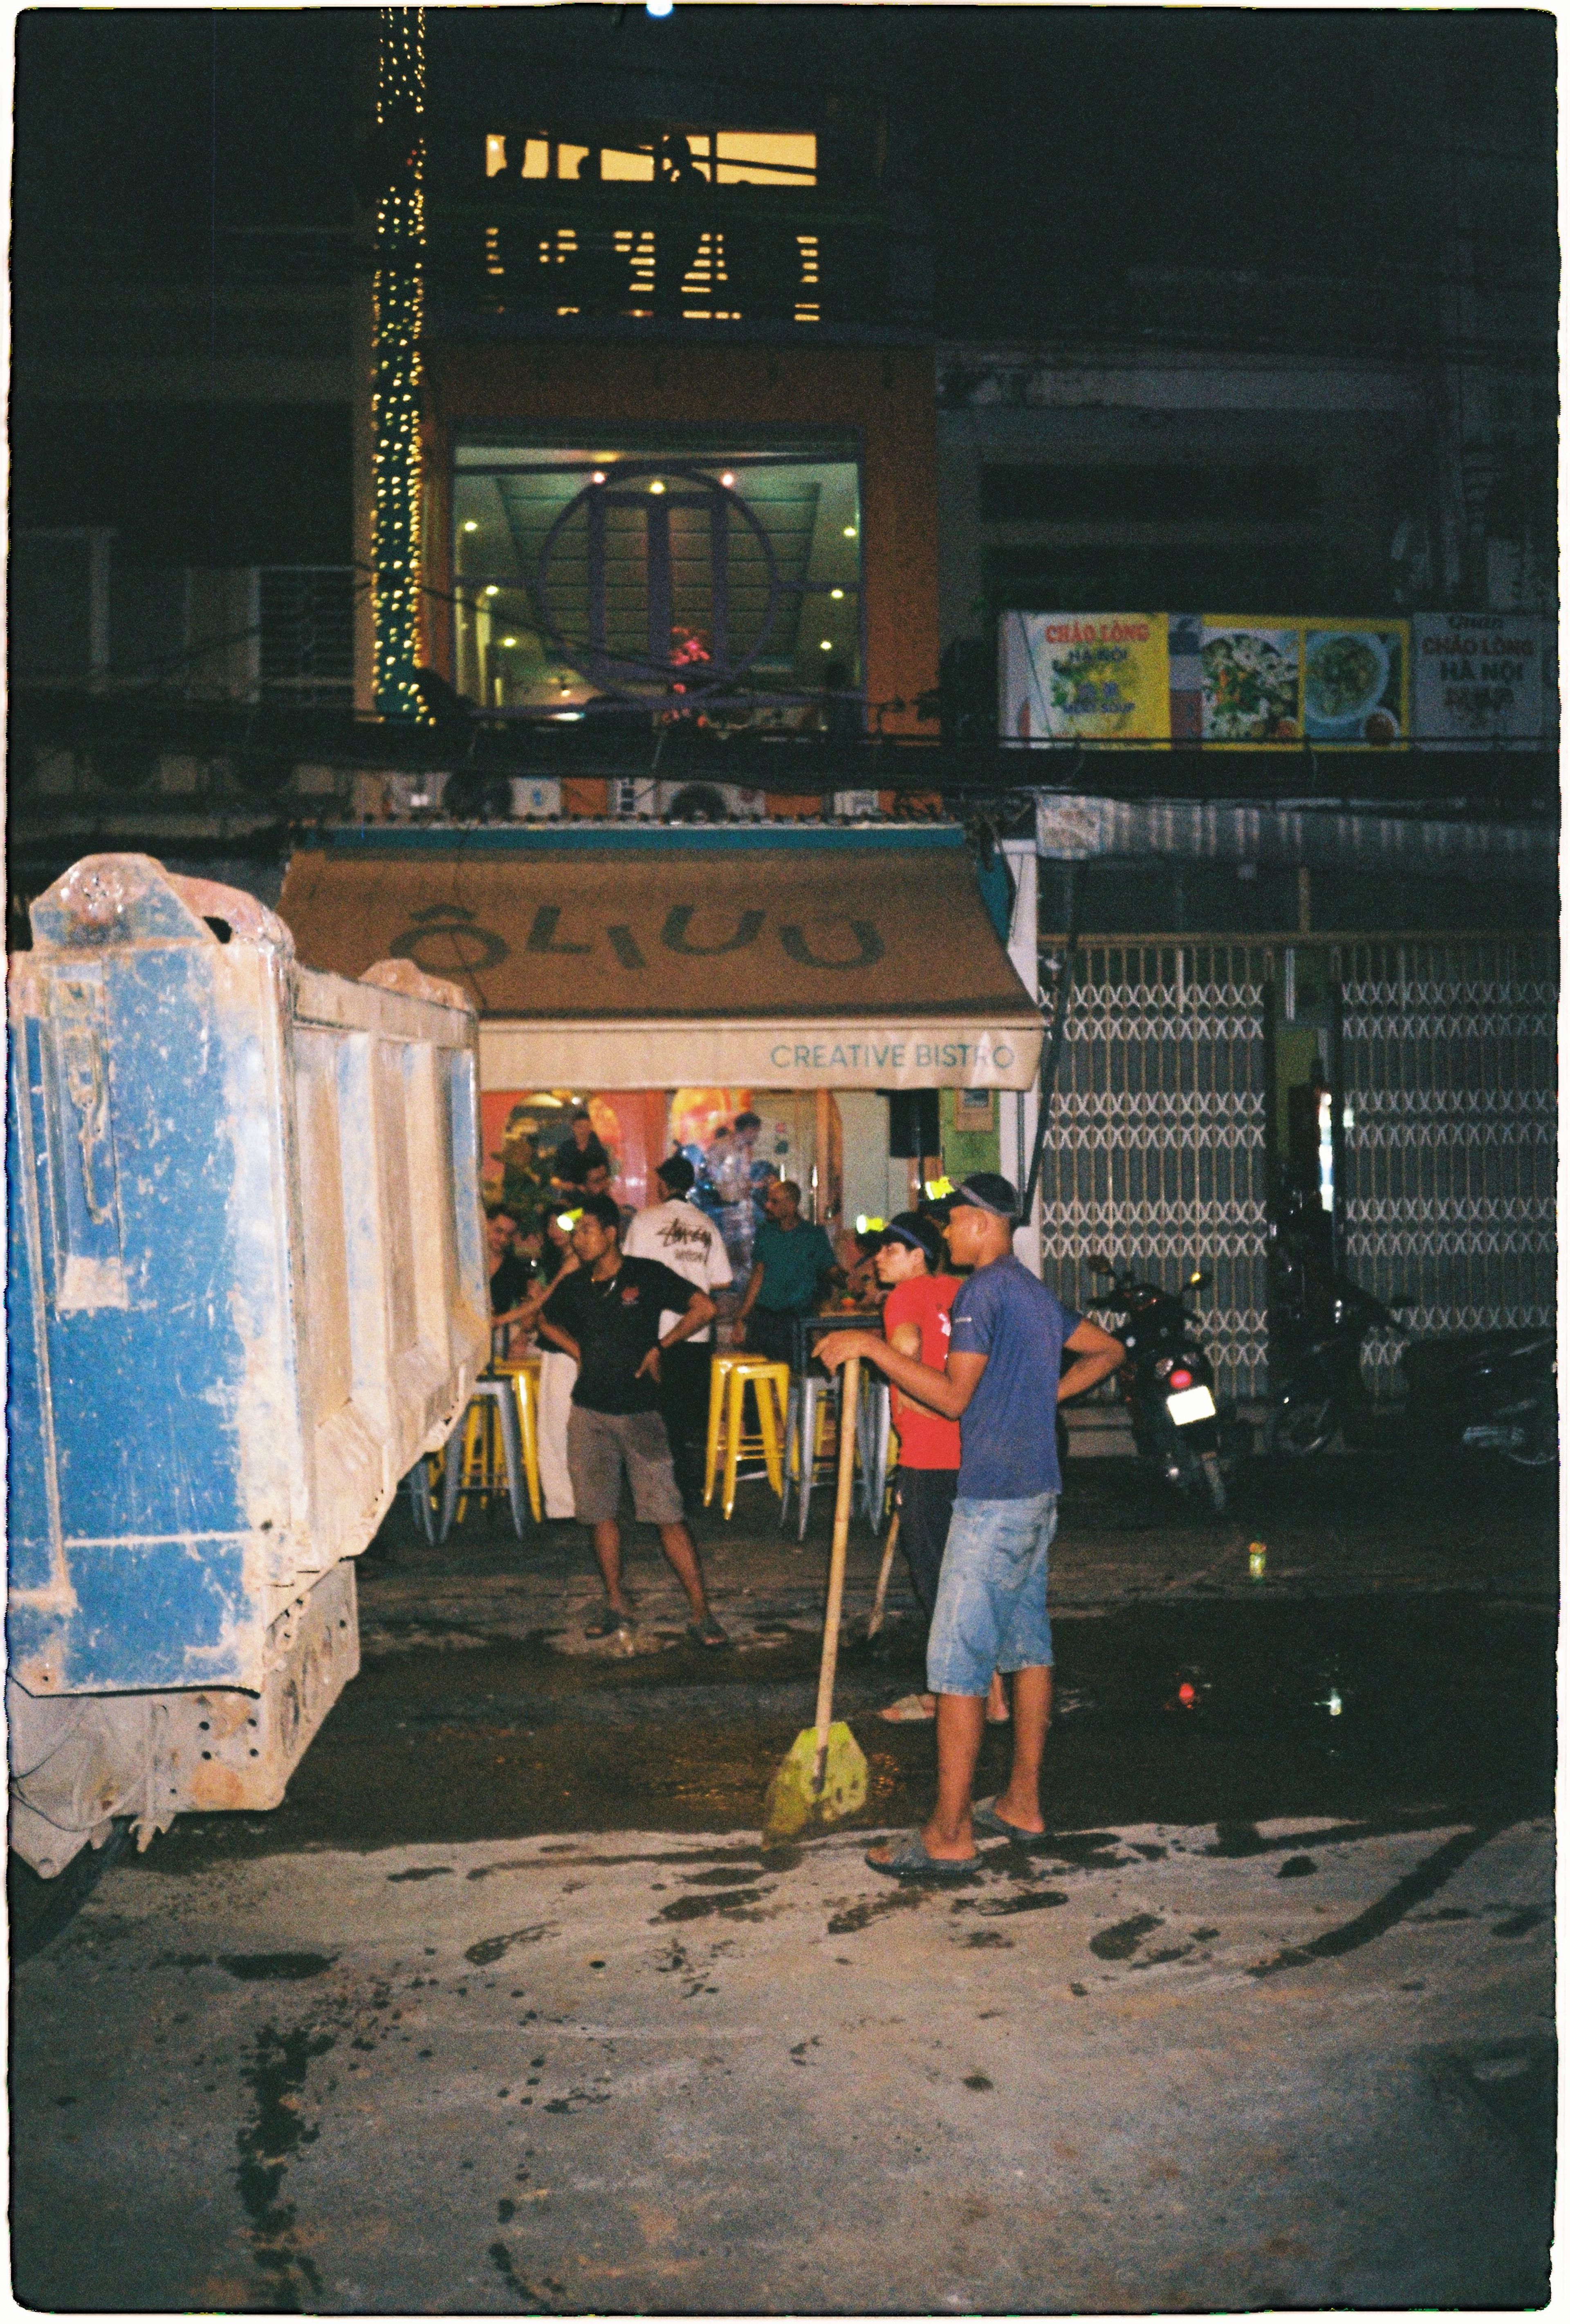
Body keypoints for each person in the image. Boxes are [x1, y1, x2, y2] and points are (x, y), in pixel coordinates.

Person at [817, 1171, 1124, 1878]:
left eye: (955, 1220)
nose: (949, 1232)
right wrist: (1039, 1395)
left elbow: (953, 1398)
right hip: (1039, 1490)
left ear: (985, 1223)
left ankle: (949, 1833)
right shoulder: (1028, 1287)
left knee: (957, 1667)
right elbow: (1109, 1350)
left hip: (992, 1501)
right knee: (1028, 1646)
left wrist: (872, 1348)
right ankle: (1021, 1801)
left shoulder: (984, 1292)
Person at [538, 1192, 728, 1647]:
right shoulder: (576, 1283)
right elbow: (545, 1321)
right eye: (575, 1231)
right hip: (589, 1412)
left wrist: (662, 1346)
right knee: (601, 1514)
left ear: (609, 1234)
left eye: (586, 1230)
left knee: (668, 1514)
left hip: (642, 1413)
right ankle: (617, 1603)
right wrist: (579, 1351)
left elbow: (705, 1307)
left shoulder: (645, 1274)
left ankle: (702, 1613)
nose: (577, 1239)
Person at [869, 1211, 1008, 1730]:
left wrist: (916, 1400)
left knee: (939, 1580)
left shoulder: (905, 1296)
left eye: (890, 1248)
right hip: (977, 1454)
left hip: (929, 1457)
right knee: (971, 1578)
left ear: (918, 1255)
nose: (878, 1257)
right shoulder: (962, 1291)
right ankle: (975, 1689)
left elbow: (905, 1350)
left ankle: (974, 1696)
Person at [622, 1154, 733, 1509]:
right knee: (688, 1418)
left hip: (654, 1332)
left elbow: (629, 1269)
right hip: (696, 1334)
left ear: (664, 1184)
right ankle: (688, 1491)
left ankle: (655, 1491)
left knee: (653, 1414)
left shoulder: (645, 1220)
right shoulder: (705, 1224)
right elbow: (722, 1279)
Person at [733, 1178, 838, 1367]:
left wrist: (850, 1280)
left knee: (795, 1375)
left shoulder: (812, 1236)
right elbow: (758, 1276)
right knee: (760, 1376)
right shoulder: (766, 1233)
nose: (767, 1206)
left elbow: (830, 1268)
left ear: (791, 1206)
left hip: (796, 1320)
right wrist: (742, 1317)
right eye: (768, 1200)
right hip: (764, 1318)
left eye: (775, 1202)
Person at [486, 1209, 536, 1360]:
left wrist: (523, 1336)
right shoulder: (466, 1261)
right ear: (486, 1224)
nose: (502, 1239)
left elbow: (527, 1305)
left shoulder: (513, 1267)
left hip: (498, 1330)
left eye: (508, 1235)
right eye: (498, 1231)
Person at [550, 1110, 610, 1199]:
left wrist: (595, 1187)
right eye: (580, 1127)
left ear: (591, 1127)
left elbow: (607, 1178)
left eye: (587, 1127)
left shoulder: (598, 1150)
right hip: (570, 1200)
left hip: (594, 1200)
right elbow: (554, 1180)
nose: (583, 1130)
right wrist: (566, 1185)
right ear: (573, 1127)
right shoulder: (565, 1149)